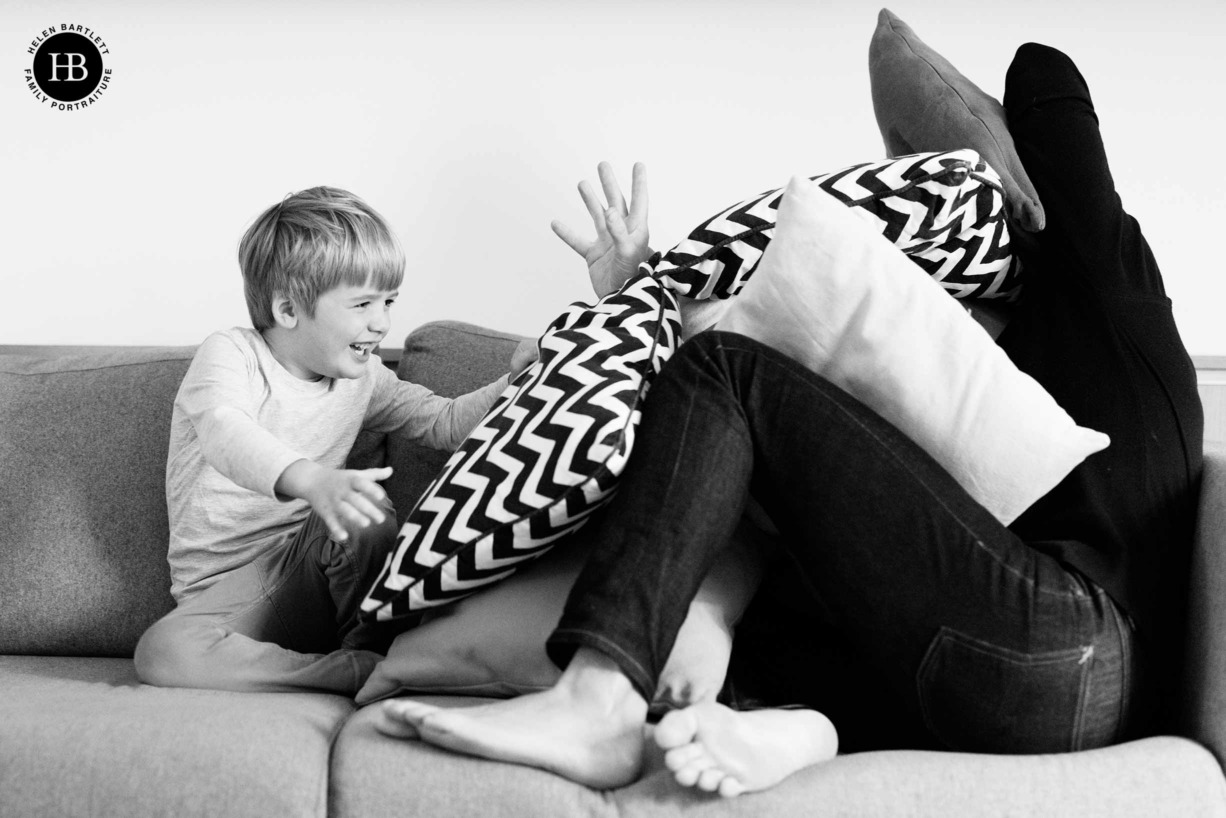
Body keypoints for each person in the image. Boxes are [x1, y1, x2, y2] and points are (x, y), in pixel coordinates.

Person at [378, 42, 1205, 797]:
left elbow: (1043, 70)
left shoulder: (1109, 274)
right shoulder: (992, 370)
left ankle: (601, 696)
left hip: (1067, 643)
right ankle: (803, 730)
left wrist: (980, 159)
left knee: (728, 376)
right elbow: (793, 456)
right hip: (990, 684)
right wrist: (638, 287)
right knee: (757, 529)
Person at [134, 186, 537, 695]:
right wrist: (312, 481)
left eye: (389, 301)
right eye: (363, 303)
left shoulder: (363, 378)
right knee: (163, 652)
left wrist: (515, 382)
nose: (382, 322)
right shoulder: (232, 355)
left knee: (361, 514)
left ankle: (374, 644)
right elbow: (223, 431)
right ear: (288, 308)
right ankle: (362, 671)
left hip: (316, 580)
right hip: (224, 602)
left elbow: (446, 422)